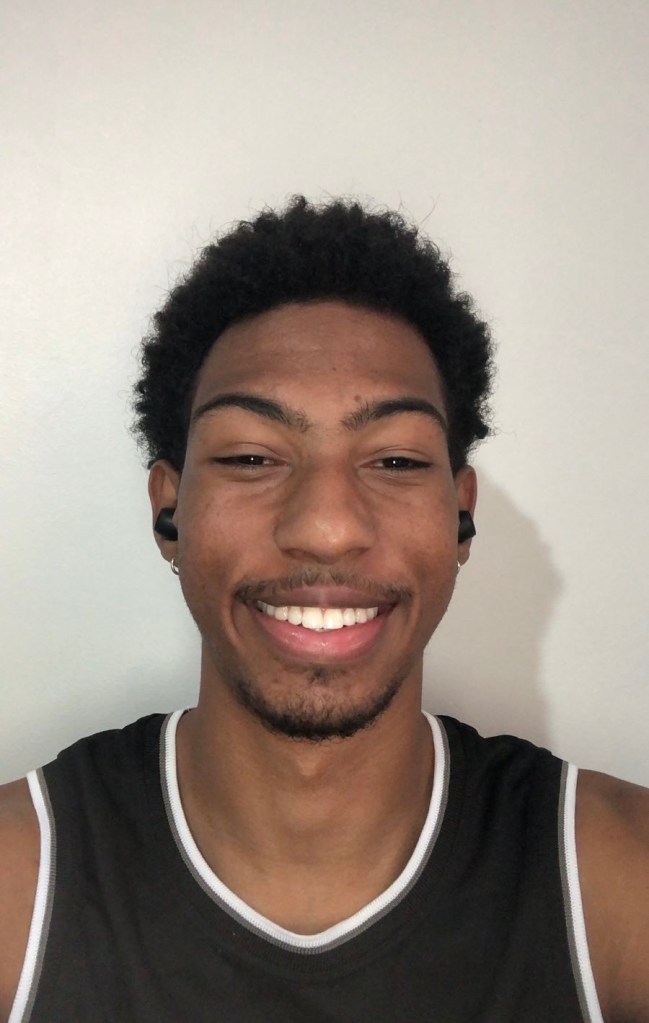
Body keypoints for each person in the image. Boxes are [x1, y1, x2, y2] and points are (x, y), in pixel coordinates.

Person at [1, 197, 647, 1023]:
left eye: (395, 459)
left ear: (460, 515)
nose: (327, 527)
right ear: (169, 510)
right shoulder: (22, 882)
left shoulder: (613, 881)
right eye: (250, 456)